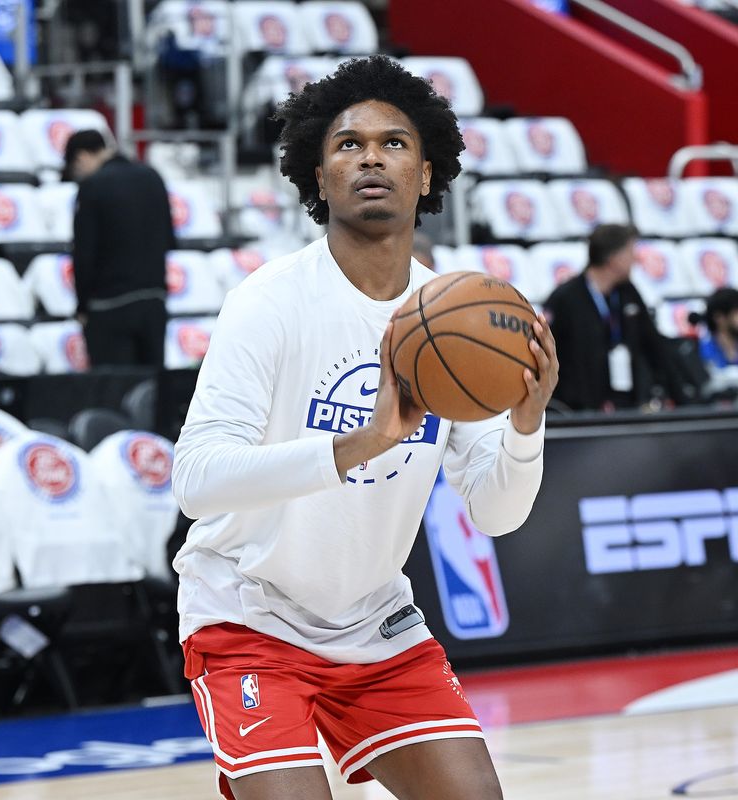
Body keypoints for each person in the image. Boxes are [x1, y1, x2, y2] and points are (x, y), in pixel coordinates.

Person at [171, 56, 558, 800]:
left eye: (394, 142)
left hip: (374, 621)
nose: (371, 156)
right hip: (249, 614)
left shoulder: (457, 319)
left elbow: (496, 514)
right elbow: (196, 480)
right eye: (348, 144)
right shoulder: (269, 301)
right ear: (319, 178)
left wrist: (525, 425)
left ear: (427, 174)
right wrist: (362, 443)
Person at [64, 129, 176, 368]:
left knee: (114, 393)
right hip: (154, 301)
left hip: (109, 307)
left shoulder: (92, 187)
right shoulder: (153, 177)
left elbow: (84, 254)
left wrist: (82, 306)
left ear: (82, 157)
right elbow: (169, 239)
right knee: (151, 393)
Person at [544, 223, 686, 412]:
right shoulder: (565, 298)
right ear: (612, 258)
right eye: (630, 251)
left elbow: (654, 345)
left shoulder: (628, 293)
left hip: (626, 404)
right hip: (578, 411)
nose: (635, 259)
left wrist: (683, 400)